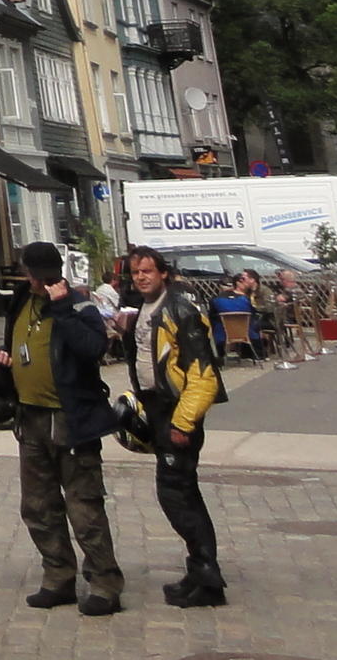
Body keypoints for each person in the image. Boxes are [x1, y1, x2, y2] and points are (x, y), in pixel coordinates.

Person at [0, 240, 124, 615]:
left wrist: (63, 307)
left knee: (84, 506)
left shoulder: (78, 304)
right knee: (38, 506)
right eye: (34, 276)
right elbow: (17, 344)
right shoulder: (21, 301)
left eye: (45, 276)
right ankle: (58, 577)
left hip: (70, 419)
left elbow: (93, 348)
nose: (39, 282)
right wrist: (5, 361)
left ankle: (105, 583)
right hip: (30, 417)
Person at [124, 246, 227, 608]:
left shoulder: (181, 309)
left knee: (177, 494)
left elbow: (204, 376)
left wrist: (183, 423)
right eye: (136, 272)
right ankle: (199, 571)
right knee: (181, 493)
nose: (141, 278)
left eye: (147, 271)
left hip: (177, 412)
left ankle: (208, 580)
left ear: (163, 273)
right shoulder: (145, 309)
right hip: (157, 409)